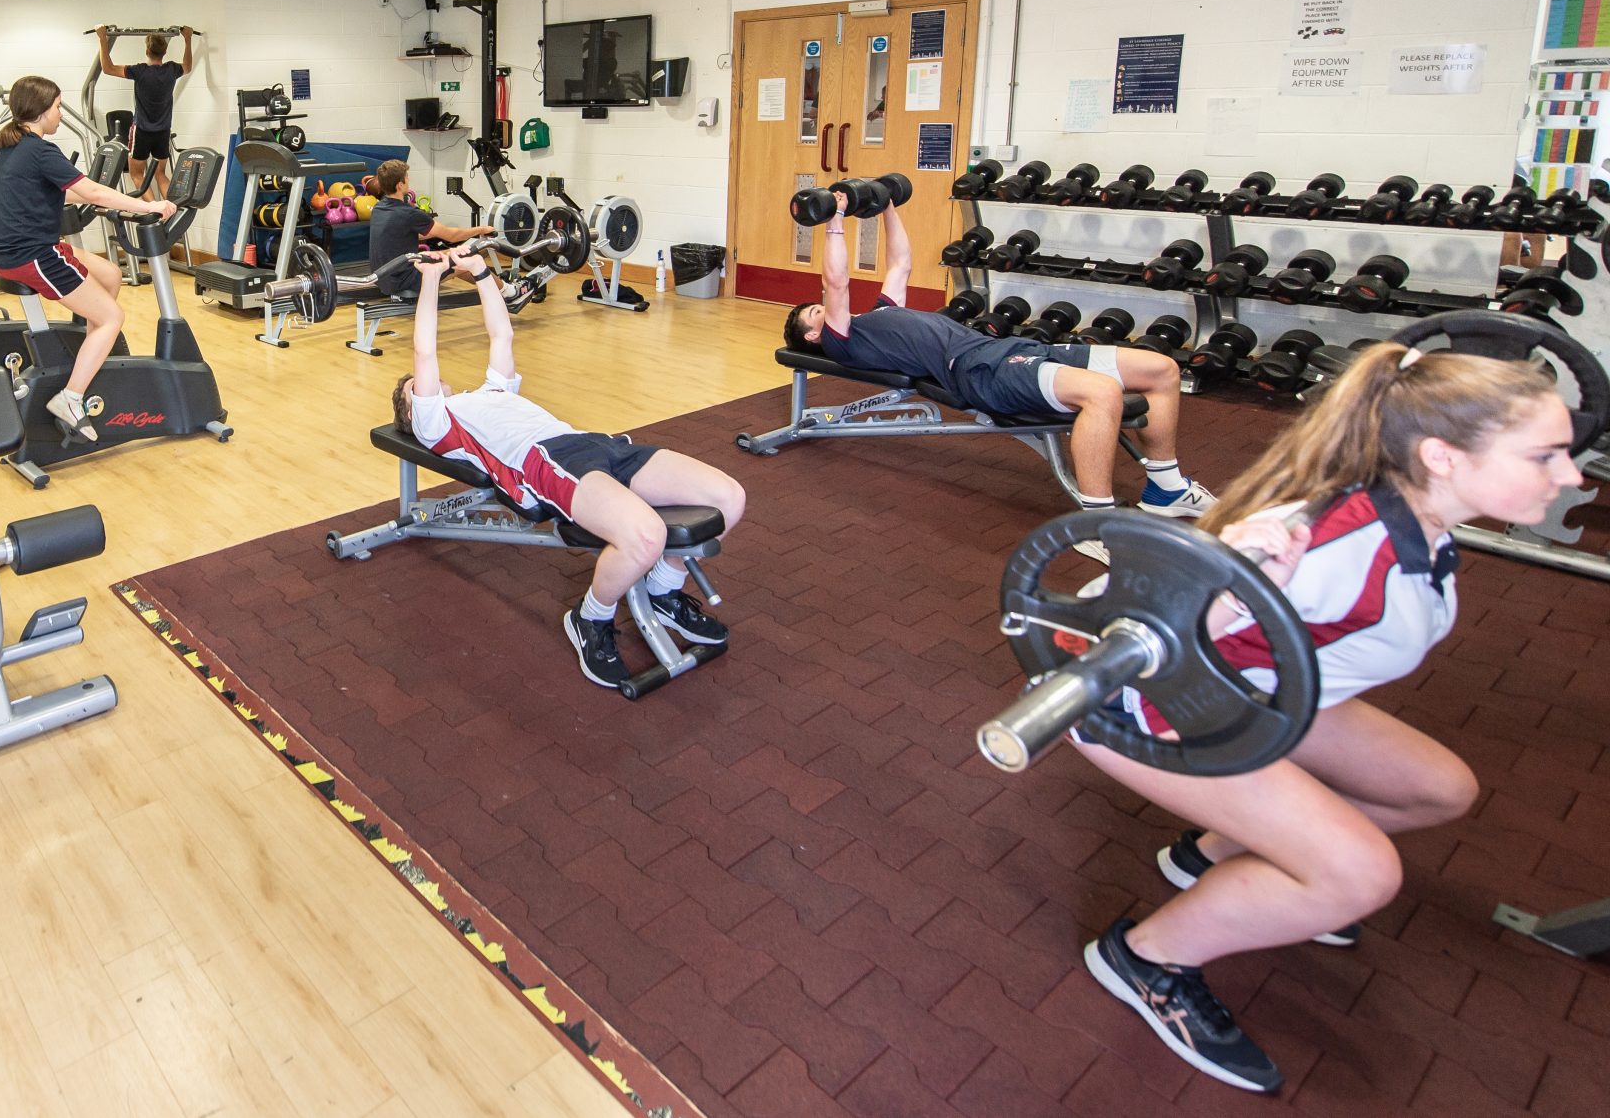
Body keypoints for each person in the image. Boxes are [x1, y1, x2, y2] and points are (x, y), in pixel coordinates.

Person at [1071, 342, 1577, 1094]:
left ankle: (1210, 856)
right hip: (1146, 697)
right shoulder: (1331, 542)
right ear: (1441, 456)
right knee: (1361, 874)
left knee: (1439, 788)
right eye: (1544, 456)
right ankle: (1148, 958)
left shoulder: (1419, 518)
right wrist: (1227, 587)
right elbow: (1134, 624)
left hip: (1260, 690)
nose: (1571, 476)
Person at [395, 244, 744, 689]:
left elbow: (501, 335)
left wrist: (480, 271)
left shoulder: (489, 393)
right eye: (412, 388)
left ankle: (663, 592)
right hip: (544, 461)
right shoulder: (436, 424)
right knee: (646, 536)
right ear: (412, 412)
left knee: (728, 498)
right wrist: (430, 280)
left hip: (594, 443)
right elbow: (425, 353)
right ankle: (590, 617)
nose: (422, 383)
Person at [783, 189, 1212, 515]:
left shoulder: (880, 313)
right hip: (980, 371)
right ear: (816, 337)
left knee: (1161, 369)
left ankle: (1166, 488)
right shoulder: (843, 340)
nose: (824, 309)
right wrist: (835, 219)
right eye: (816, 313)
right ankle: (1096, 520)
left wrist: (886, 205)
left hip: (1008, 349)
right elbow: (836, 282)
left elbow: (901, 264)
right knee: (1103, 393)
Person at [0, 74, 174, 444]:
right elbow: (91, 192)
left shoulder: (11, 146)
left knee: (110, 274)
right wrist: (147, 205)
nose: (60, 114)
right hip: (32, 255)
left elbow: (58, 192)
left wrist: (99, 196)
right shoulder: (40, 150)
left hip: (12, 251)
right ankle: (70, 399)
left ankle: (88, 357)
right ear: (41, 111)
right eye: (57, 107)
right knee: (112, 317)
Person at [363, 159, 491, 300]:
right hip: (405, 279)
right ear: (400, 185)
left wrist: (432, 233)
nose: (409, 179)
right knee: (468, 259)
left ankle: (500, 291)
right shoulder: (409, 213)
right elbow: (452, 236)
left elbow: (401, 235)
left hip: (382, 278)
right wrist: (482, 229)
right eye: (407, 177)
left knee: (452, 257)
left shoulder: (378, 208)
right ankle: (506, 291)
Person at [96, 25, 194, 200]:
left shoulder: (139, 71)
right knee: (161, 174)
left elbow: (107, 68)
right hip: (163, 131)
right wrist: (188, 39)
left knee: (137, 175)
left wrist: (102, 38)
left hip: (141, 131)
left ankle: (155, 209)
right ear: (164, 52)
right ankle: (171, 210)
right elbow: (187, 66)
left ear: (147, 51)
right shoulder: (172, 70)